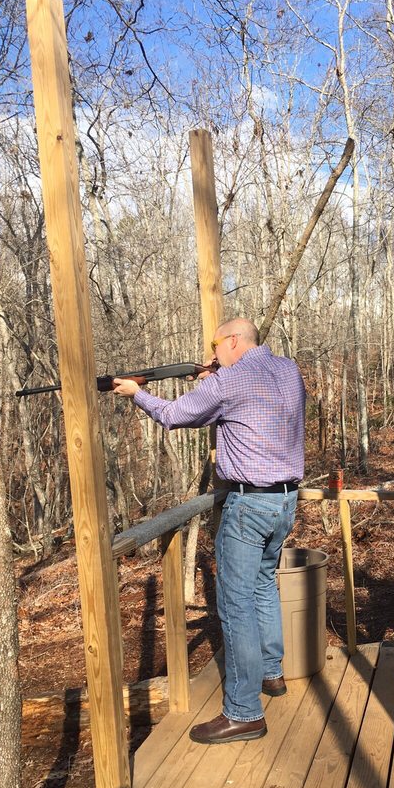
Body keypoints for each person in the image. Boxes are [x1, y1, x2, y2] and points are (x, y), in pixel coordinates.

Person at [113, 318, 305, 745]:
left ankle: (244, 712)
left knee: (235, 605)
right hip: (285, 501)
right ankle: (271, 674)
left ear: (232, 340)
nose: (211, 351)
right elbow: (249, 405)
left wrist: (135, 393)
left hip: (249, 505)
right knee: (262, 586)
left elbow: (173, 415)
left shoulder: (228, 382)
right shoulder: (287, 369)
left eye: (215, 344)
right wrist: (212, 377)